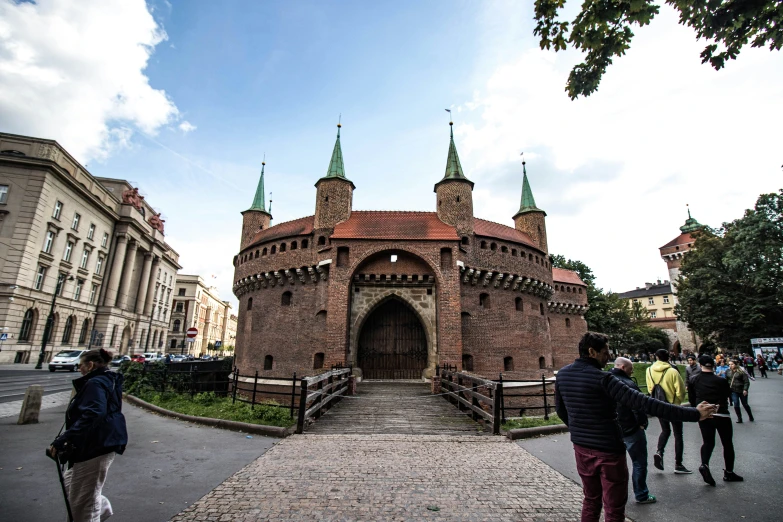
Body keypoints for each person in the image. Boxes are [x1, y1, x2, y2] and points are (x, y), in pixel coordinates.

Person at [555, 333, 714, 522]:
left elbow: (561, 410)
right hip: (609, 450)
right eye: (605, 352)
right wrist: (695, 414)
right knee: (614, 506)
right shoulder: (604, 379)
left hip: (581, 448)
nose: (609, 357)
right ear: (591, 352)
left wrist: (578, 429)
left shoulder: (563, 374)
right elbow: (646, 404)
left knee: (591, 499)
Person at [49, 348, 128, 521]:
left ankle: (95, 510)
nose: (79, 369)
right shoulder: (109, 379)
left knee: (83, 505)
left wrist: (65, 438)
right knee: (72, 485)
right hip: (103, 441)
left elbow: (94, 413)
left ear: (90, 365)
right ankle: (100, 507)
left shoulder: (95, 383)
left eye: (81, 365)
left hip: (96, 443)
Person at [690, 355, 744, 485]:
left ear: (700, 364)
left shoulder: (694, 380)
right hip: (722, 415)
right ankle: (729, 472)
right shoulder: (721, 380)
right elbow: (727, 395)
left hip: (704, 414)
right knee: (727, 443)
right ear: (713, 365)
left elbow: (692, 399)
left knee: (708, 442)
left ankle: (704, 464)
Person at [610, 358, 655, 504]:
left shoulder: (605, 381)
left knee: (614, 465)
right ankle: (641, 494)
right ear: (623, 367)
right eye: (631, 368)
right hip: (631, 430)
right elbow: (639, 406)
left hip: (613, 430)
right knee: (639, 463)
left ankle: (615, 497)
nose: (633, 371)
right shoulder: (629, 384)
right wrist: (641, 423)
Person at [646, 349, 691, 474]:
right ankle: (678, 464)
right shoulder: (672, 371)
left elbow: (650, 389)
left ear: (656, 357)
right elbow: (681, 391)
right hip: (673, 406)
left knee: (665, 431)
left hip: (659, 406)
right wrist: (677, 401)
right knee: (678, 434)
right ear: (668, 358)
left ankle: (659, 451)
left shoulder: (649, 370)